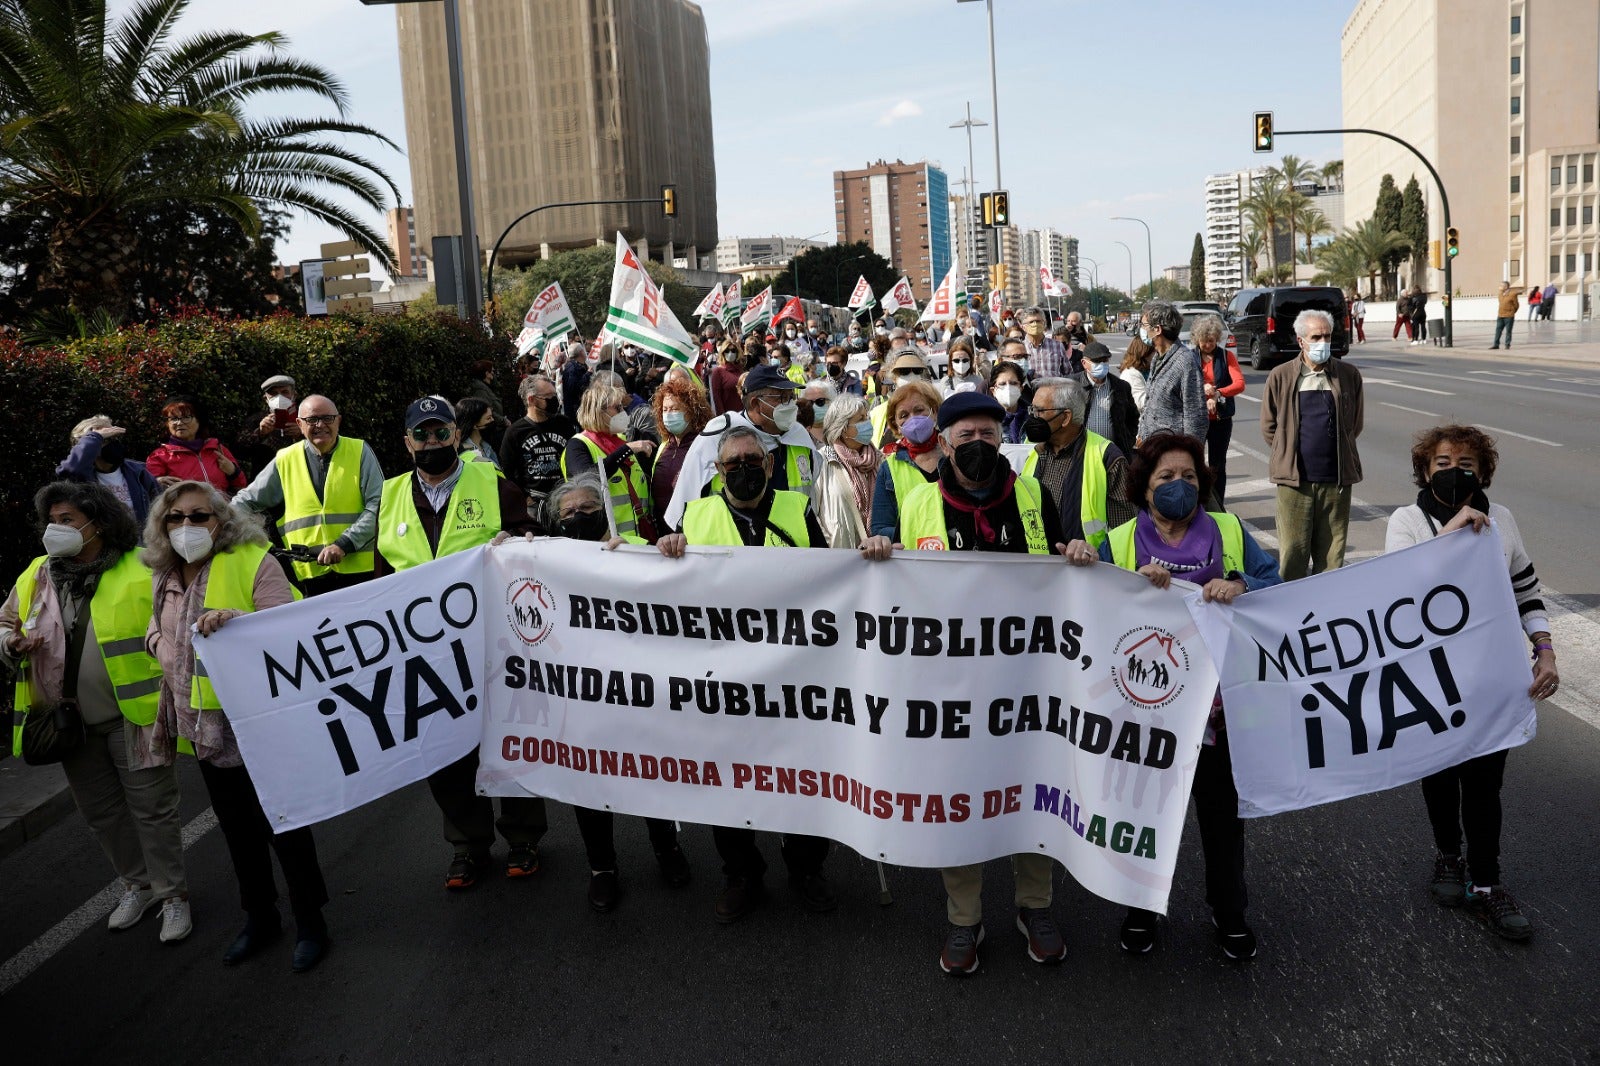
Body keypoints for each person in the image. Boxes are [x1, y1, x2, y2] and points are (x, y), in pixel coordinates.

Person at [1065, 432, 1282, 961]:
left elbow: (1274, 583)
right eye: (1165, 477)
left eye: (1188, 476)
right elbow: (1087, 608)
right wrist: (1100, 571)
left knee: (1222, 821)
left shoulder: (1228, 530)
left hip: (1219, 714)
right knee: (1141, 817)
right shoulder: (1118, 542)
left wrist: (1242, 585)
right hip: (1142, 717)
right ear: (1144, 489)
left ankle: (1229, 911)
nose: (1178, 486)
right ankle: (1140, 910)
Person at [892, 392, 1074, 974]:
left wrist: (1076, 553)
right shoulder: (918, 503)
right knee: (959, 798)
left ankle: (1034, 907)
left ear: (1003, 441)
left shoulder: (1031, 494)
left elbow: (1062, 567)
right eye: (965, 436)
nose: (977, 446)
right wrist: (877, 554)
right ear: (944, 442)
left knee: (1033, 793)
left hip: (1027, 683)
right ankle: (964, 917)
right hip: (951, 688)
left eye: (988, 436)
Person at [143, 480, 328, 971]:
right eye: (175, 518)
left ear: (221, 521)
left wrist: (236, 620)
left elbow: (289, 628)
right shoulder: (164, 574)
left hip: (258, 722)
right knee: (237, 829)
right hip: (204, 727)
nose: (187, 526)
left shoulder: (255, 561)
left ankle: (311, 921)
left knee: (283, 825)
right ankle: (261, 917)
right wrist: (160, 647)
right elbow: (155, 628)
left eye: (199, 516)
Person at [655, 426, 836, 922]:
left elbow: (835, 580)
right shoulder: (697, 515)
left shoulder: (796, 510)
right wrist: (669, 544)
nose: (742, 469)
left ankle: (805, 867)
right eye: (731, 463)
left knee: (803, 777)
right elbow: (663, 590)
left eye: (751, 459)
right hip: (725, 679)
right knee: (729, 780)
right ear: (717, 471)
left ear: (770, 464)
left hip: (794, 675)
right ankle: (742, 873)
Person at [1384, 424, 1556, 941]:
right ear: (1423, 469)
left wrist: (1544, 649)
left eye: (1465, 463)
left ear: (1483, 471)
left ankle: (1486, 882)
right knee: (1440, 773)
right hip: (1431, 681)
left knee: (1484, 782)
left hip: (1490, 677)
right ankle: (1447, 855)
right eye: (1441, 462)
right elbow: (1397, 594)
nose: (1453, 472)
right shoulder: (1406, 521)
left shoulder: (1501, 519)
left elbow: (1525, 586)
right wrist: (1450, 534)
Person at [2, 482, 187, 943]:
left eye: (67, 521)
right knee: (102, 814)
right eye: (53, 521)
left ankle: (172, 896)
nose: (55, 530)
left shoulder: (141, 566)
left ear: (98, 524)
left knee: (152, 810)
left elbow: (176, 622)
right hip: (70, 725)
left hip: (137, 714)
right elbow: (5, 622)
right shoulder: (36, 574)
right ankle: (137, 886)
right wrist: (10, 642)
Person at [376, 397, 543, 889]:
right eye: (421, 435)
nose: (432, 443)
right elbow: (383, 573)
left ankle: (523, 838)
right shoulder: (389, 496)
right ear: (407, 442)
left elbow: (531, 538)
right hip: (425, 655)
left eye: (440, 432)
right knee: (445, 751)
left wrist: (513, 544)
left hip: (494, 644)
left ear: (455, 434)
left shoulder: (490, 482)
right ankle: (468, 845)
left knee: (507, 739)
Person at [541, 475, 692, 910]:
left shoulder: (635, 553)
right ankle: (601, 868)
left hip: (637, 692)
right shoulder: (548, 560)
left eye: (588, 507)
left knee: (650, 770)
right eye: (568, 513)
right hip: (581, 696)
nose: (578, 517)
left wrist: (664, 551)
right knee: (588, 781)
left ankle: (667, 848)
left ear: (606, 510)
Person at [232, 395, 383, 597]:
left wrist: (344, 543)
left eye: (328, 418)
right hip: (312, 579)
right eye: (311, 420)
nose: (320, 425)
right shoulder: (285, 459)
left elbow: (379, 505)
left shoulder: (360, 450)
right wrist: (224, 528)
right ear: (299, 424)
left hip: (362, 573)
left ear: (338, 420)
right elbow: (244, 502)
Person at [1260, 309, 1365, 580]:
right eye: (1316, 337)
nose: (1323, 343)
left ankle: (1327, 610)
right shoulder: (1281, 376)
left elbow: (1355, 424)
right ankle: (1291, 613)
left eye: (1327, 336)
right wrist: (1288, 454)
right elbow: (1269, 427)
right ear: (1301, 341)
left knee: (1331, 558)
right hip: (1295, 482)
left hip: (1336, 481)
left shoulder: (1348, 375)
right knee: (1293, 554)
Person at [664, 364, 819, 530]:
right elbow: (685, 507)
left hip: (792, 541)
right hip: (730, 543)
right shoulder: (716, 437)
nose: (790, 404)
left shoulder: (799, 435)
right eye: (781, 398)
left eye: (791, 396)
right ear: (755, 404)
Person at [1020, 377, 1135, 550]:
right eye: (1032, 410)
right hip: (1037, 564)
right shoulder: (1032, 449)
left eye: (1039, 411)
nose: (1033, 417)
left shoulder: (1107, 457)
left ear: (1065, 417)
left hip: (1086, 567)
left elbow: (1123, 529)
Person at [561, 380, 659, 543]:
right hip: (607, 541)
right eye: (617, 408)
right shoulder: (578, 445)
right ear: (599, 412)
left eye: (623, 406)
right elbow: (587, 480)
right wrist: (626, 450)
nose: (623, 412)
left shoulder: (620, 441)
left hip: (640, 537)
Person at [868, 378, 944, 540]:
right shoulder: (889, 468)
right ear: (896, 426)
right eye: (904, 415)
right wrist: (918, 532)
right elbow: (880, 528)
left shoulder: (955, 454)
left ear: (935, 412)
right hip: (912, 557)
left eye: (919, 410)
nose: (912, 419)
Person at [57, 415, 161, 527]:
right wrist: (95, 437)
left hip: (139, 542)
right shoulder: (81, 477)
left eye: (113, 437)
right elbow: (71, 469)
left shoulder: (138, 472)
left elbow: (161, 509)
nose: (112, 443)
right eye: (105, 438)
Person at [498, 372, 576, 514]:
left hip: (565, 499)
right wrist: (525, 497)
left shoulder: (564, 424)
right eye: (549, 397)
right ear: (531, 399)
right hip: (534, 505)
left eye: (555, 395)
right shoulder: (515, 432)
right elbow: (507, 469)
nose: (555, 401)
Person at [813, 394, 881, 549]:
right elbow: (812, 513)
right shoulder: (822, 460)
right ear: (843, 429)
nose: (868, 423)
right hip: (839, 558)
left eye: (867, 417)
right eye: (861, 419)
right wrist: (828, 546)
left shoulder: (881, 460)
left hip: (876, 556)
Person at [1135, 302, 1207, 442]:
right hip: (1152, 448)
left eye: (1144, 326)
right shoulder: (1158, 357)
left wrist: (1191, 456)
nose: (1142, 330)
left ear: (1157, 329)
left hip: (1172, 452)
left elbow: (1195, 416)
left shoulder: (1185, 361)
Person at [1193, 315, 1246, 504]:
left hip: (1220, 420)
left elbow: (1239, 384)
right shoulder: (1190, 357)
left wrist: (1218, 392)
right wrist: (1202, 389)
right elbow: (1184, 385)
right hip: (1196, 419)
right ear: (1196, 339)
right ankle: (1197, 503)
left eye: (1211, 341)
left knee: (1217, 465)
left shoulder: (1226, 356)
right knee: (1194, 464)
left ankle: (1217, 504)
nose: (1207, 345)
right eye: (1203, 341)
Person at [145, 399, 246, 496]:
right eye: (174, 419)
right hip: (185, 512)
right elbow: (146, 490)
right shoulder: (159, 456)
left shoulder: (217, 449)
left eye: (186, 417)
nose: (179, 423)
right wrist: (157, 482)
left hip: (220, 511)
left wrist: (233, 472)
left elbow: (241, 485)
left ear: (199, 420)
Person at [648, 376, 711, 525]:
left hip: (693, 529)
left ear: (691, 411)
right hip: (662, 531)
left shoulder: (703, 445)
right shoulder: (664, 446)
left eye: (675, 409)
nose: (669, 414)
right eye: (665, 409)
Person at [1076, 341, 1139, 460]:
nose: (1102, 364)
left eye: (1105, 360)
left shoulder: (1121, 387)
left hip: (1113, 454)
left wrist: (1128, 441)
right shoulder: (1073, 385)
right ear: (1084, 363)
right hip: (1082, 454)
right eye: (1097, 361)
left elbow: (1133, 417)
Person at [234, 375, 303, 477]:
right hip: (265, 481)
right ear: (266, 399)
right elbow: (238, 451)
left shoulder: (306, 418)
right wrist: (260, 433)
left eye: (285, 392)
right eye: (273, 393)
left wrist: (302, 433)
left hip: (298, 477)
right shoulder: (256, 420)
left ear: (294, 395)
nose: (280, 397)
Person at [452, 396, 502, 469]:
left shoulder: (486, 445)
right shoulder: (463, 452)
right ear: (474, 424)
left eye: (492, 417)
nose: (492, 420)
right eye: (488, 418)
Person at [1019, 306, 1069, 377]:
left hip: (1054, 387)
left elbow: (1068, 373)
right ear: (1023, 327)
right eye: (1031, 322)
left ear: (1044, 323)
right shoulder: (1019, 348)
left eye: (1038, 321)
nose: (1035, 324)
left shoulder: (1057, 346)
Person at [989, 360, 1029, 443]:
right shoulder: (987, 419)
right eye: (1003, 384)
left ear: (1021, 388)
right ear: (993, 391)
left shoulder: (1033, 416)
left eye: (1013, 383)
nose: (1008, 388)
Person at [465, 358, 507, 431]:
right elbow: (486, 409)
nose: (494, 374)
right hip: (490, 429)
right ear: (487, 373)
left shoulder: (484, 387)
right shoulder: (480, 389)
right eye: (492, 371)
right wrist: (503, 421)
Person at [798, 379, 836, 448]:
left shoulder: (841, 430)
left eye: (820, 401)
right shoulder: (797, 433)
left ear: (831, 401)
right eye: (810, 402)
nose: (814, 406)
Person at [1120, 335, 1153, 412]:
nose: (1157, 354)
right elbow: (1140, 403)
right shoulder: (1131, 374)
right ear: (1144, 353)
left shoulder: (1147, 370)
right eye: (1154, 351)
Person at [560, 341, 591, 416]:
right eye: (583, 350)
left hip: (581, 406)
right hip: (575, 409)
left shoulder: (581, 365)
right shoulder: (572, 368)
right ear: (581, 352)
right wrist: (588, 374)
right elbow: (573, 387)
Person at [1492, 281, 1520, 349]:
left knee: (1508, 331)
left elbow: (1516, 305)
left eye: (1501, 286)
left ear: (1506, 287)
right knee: (1498, 330)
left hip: (1509, 316)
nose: (1500, 287)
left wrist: (1512, 311)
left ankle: (1507, 344)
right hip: (1500, 315)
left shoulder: (1512, 294)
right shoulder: (1500, 294)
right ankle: (1496, 345)